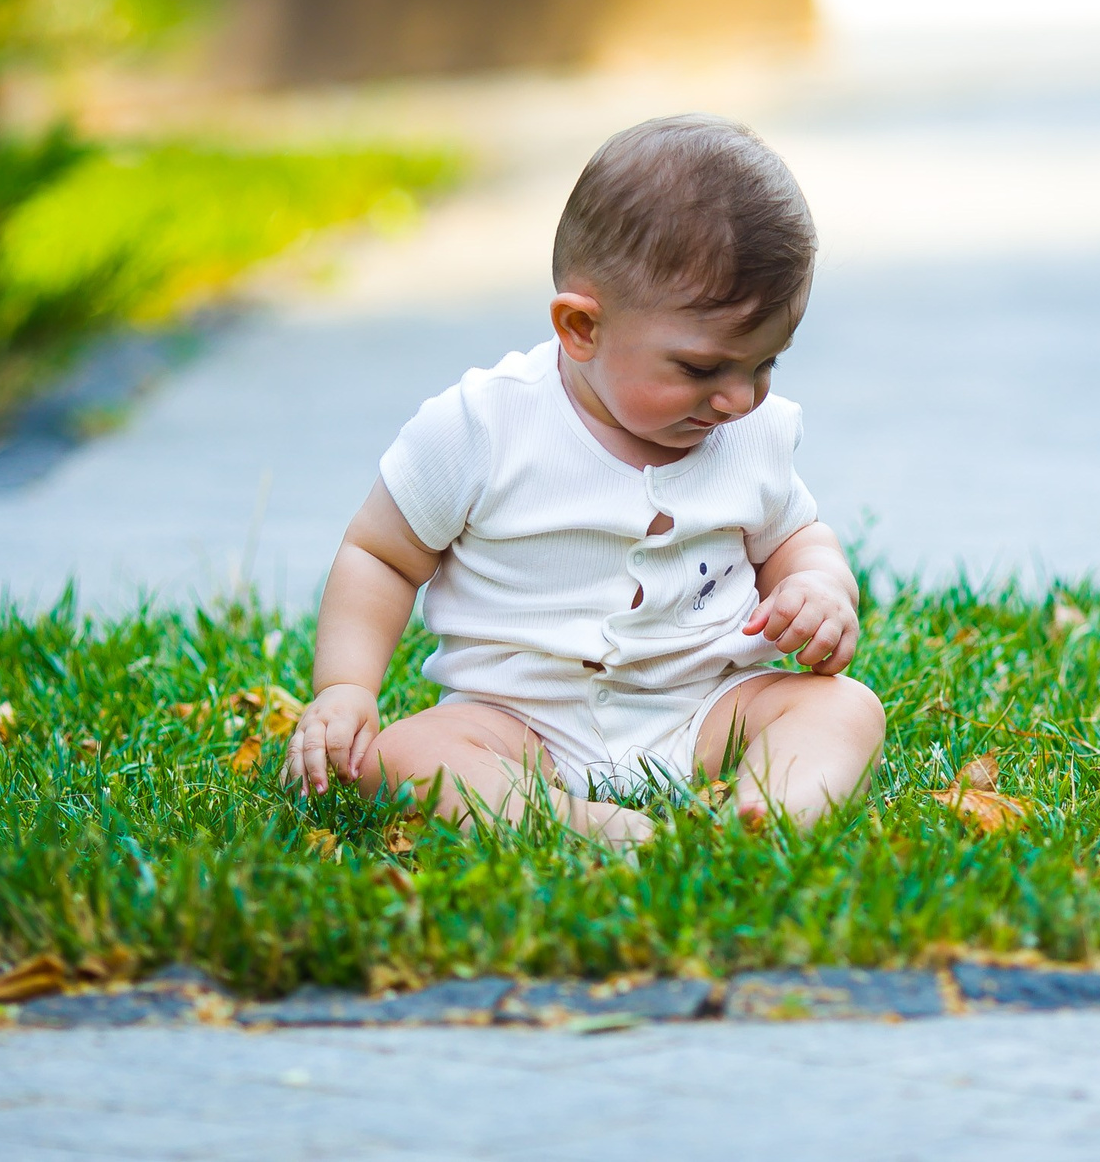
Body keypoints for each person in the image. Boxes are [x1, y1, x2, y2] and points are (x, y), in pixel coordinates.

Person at [281, 114, 884, 847]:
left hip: (706, 706)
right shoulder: (484, 425)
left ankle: (769, 812)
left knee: (845, 707)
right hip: (520, 721)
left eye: (764, 364)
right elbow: (380, 553)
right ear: (580, 328)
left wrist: (819, 586)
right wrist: (346, 687)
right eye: (701, 368)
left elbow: (795, 536)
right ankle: (569, 821)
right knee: (403, 757)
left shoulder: (750, 436)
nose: (737, 398)